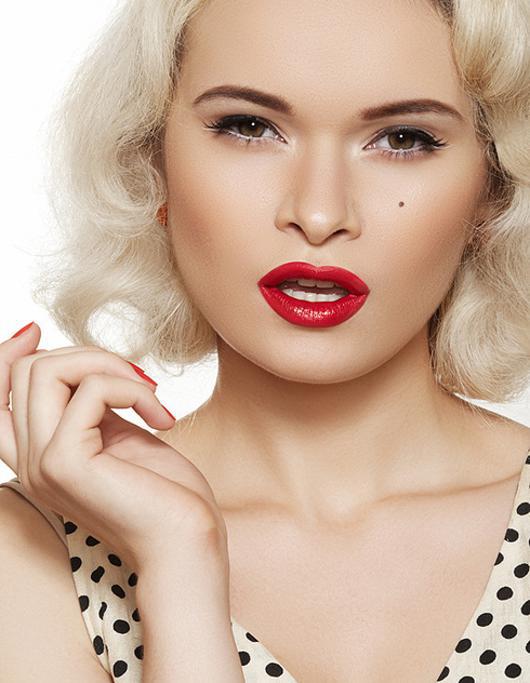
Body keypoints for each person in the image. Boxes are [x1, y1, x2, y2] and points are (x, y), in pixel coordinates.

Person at [1, 0, 529, 680]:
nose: (319, 213)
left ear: (493, 187)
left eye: (403, 139)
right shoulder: (32, 548)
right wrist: (178, 558)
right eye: (249, 127)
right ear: (151, 163)